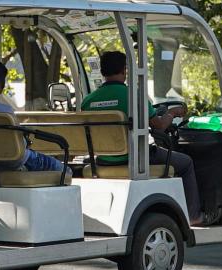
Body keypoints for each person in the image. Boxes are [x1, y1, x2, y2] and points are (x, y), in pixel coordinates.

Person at [80, 51, 207, 224]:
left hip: (103, 160)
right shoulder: (134, 95)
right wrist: (172, 112)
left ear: (102, 72)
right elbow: (160, 125)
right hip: (135, 159)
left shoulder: (88, 101)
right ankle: (194, 216)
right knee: (185, 163)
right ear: (124, 70)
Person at [0, 60, 65, 172]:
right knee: (65, 170)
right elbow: (20, 143)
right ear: (1, 84)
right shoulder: (4, 112)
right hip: (13, 160)